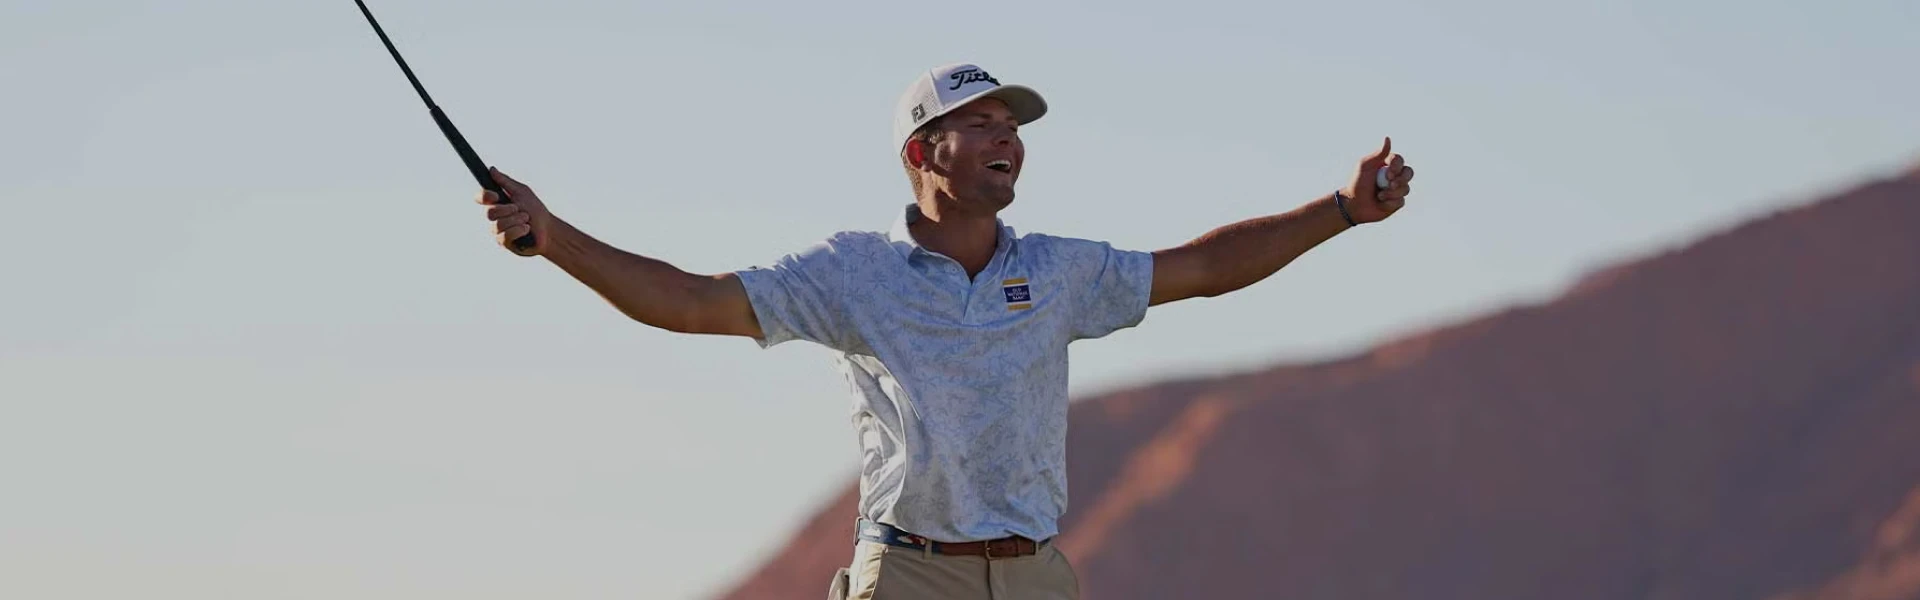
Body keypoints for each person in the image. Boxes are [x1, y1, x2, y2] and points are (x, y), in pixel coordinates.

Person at [474, 63, 1414, 600]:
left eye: (1015, 125)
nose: (1012, 139)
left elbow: (1204, 270)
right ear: (926, 152)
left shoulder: (1057, 268)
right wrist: (553, 236)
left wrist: (1339, 209)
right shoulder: (852, 272)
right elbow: (688, 300)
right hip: (911, 579)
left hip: (1037, 575)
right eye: (986, 125)